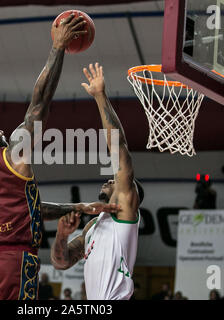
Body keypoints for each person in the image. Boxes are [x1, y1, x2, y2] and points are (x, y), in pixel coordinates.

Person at [0, 14, 104, 301]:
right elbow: (39, 104)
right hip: (12, 261)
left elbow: (30, 211)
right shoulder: (11, 155)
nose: (2, 129)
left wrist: (75, 206)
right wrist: (58, 48)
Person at [50, 63, 143, 300]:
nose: (108, 180)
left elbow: (119, 149)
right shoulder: (92, 227)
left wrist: (100, 97)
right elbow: (62, 263)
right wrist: (61, 235)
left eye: (114, 180)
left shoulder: (124, 214)